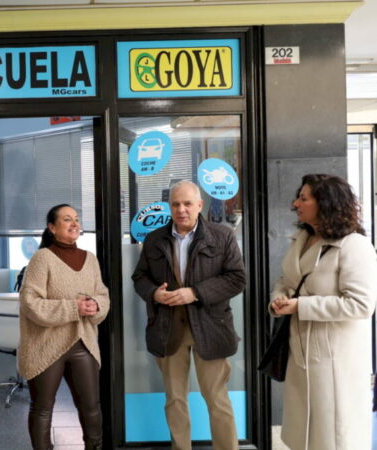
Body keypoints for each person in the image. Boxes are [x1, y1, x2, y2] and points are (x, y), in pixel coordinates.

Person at [132, 180, 246, 450]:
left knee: (217, 398)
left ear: (199, 205)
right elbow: (139, 277)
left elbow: (237, 279)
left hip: (211, 327)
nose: (181, 209)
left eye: (187, 204)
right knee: (174, 399)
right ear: (169, 206)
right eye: (175, 204)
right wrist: (154, 294)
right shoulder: (154, 239)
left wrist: (194, 292)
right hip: (168, 328)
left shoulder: (222, 236)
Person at [269, 174, 376, 450]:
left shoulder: (354, 246)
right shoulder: (302, 238)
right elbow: (287, 280)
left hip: (335, 361)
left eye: (304, 198)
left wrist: (301, 306)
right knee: (304, 434)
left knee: (334, 437)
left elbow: (362, 304)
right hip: (301, 351)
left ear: (326, 203)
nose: (295, 203)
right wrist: (279, 298)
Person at [18, 204, 110, 450]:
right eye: (67, 219)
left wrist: (95, 305)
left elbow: (103, 294)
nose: (75, 224)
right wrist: (73, 308)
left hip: (84, 344)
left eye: (77, 220)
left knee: (91, 408)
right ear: (52, 227)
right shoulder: (42, 258)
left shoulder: (90, 259)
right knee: (42, 409)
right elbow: (30, 303)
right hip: (45, 345)